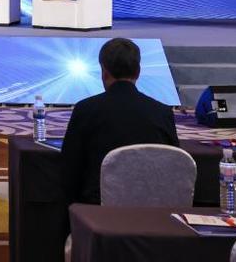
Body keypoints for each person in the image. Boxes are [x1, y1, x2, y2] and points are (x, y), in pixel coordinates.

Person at [60, 38, 180, 205]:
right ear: (138, 72)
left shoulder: (85, 110)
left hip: (97, 212)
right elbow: (174, 164)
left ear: (104, 72)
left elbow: (69, 170)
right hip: (152, 210)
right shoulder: (162, 112)